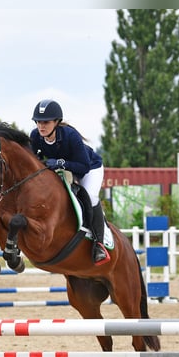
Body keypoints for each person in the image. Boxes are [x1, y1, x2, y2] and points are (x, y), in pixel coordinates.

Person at [29, 99, 110, 265]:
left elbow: (83, 167)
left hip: (89, 168)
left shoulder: (70, 136)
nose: (41, 126)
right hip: (65, 170)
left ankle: (98, 244)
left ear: (56, 122)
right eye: (38, 122)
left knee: (90, 196)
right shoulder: (35, 136)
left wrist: (60, 163)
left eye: (46, 122)